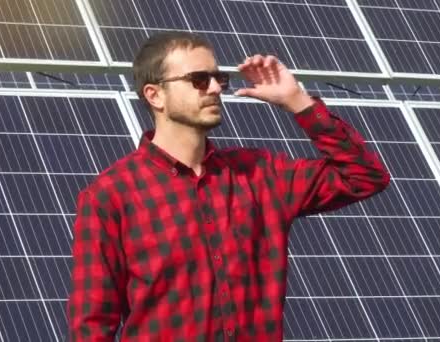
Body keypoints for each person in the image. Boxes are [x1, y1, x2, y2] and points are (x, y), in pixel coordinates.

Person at [66, 31, 390, 341]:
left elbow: (365, 176)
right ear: (155, 95)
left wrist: (298, 102)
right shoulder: (111, 197)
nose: (214, 89)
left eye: (218, 78)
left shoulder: (260, 176)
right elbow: (92, 325)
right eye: (198, 80)